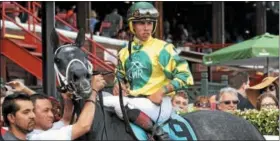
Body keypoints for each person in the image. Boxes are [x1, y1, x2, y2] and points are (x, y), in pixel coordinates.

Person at [103, 2, 194, 140]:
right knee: (102, 98)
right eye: (141, 23)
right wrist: (118, 83)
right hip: (134, 102)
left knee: (114, 103)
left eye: (150, 23)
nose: (146, 28)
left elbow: (186, 76)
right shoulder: (124, 52)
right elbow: (120, 75)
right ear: (132, 25)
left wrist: (162, 91)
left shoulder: (163, 48)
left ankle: (157, 132)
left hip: (158, 104)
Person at [26, 75, 106, 140]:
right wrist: (93, 91)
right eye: (45, 111)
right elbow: (83, 126)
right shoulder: (37, 138)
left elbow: (66, 120)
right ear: (31, 114)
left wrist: (67, 100)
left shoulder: (46, 130)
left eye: (51, 110)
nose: (51, 115)